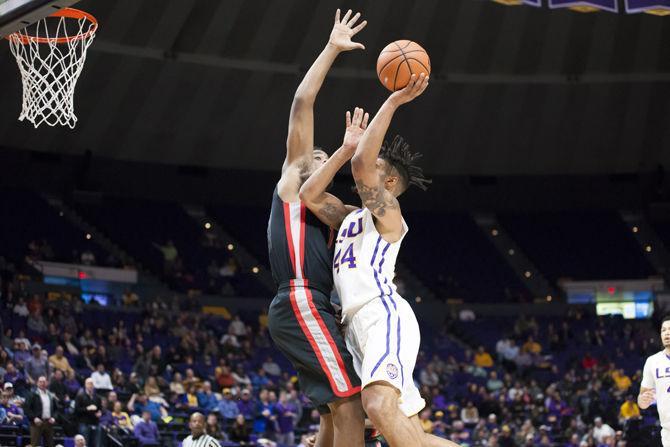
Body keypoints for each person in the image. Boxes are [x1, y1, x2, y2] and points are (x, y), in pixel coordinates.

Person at [302, 71, 458, 447]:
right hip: (354, 327)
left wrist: (392, 101)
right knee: (395, 427)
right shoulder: (350, 215)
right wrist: (342, 150)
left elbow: (359, 166)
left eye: (376, 170)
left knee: (377, 406)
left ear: (388, 185)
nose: (367, 171)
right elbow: (309, 194)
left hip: (381, 314)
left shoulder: (389, 215)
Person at [266, 8, 368, 447]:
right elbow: (302, 103)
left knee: (330, 413)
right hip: (300, 298)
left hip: (319, 304)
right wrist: (331, 47)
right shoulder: (293, 180)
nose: (320, 159)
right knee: (350, 403)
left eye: (327, 159)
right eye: (318, 157)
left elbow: (370, 212)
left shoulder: (331, 211)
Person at [639, 315, 670, 446]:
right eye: (663, 330)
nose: (667, 333)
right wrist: (642, 400)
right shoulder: (652, 361)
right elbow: (642, 400)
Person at [25, 375, 57, 447]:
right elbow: (26, 409)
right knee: (35, 444)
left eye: (44, 382)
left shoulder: (50, 395)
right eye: (40, 382)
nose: (42, 383)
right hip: (36, 423)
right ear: (37, 383)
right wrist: (34, 418)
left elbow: (56, 410)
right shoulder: (32, 394)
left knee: (50, 445)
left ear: (47, 383)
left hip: (49, 423)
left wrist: (53, 417)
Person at [74, 378, 103, 447]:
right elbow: (77, 410)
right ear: (85, 385)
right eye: (88, 384)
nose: (90, 385)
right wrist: (87, 408)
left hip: (95, 423)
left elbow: (100, 409)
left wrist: (99, 413)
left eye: (92, 384)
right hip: (84, 423)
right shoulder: (80, 396)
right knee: (84, 444)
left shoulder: (97, 397)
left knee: (97, 444)